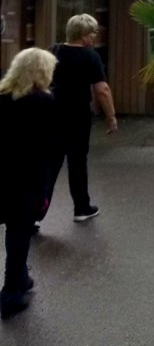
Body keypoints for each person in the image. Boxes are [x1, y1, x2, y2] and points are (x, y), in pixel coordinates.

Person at [0, 47, 57, 320]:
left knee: (15, 230)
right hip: (29, 177)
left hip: (3, 174)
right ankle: (11, 293)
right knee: (19, 233)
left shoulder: (2, 96)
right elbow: (52, 146)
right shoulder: (43, 102)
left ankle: (21, 279)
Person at [46, 13, 118, 224]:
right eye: (93, 32)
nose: (95, 36)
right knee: (77, 162)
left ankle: (34, 213)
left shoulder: (53, 50)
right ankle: (81, 207)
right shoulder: (90, 56)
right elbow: (102, 89)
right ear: (84, 35)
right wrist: (111, 117)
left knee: (51, 162)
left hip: (53, 112)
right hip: (77, 115)